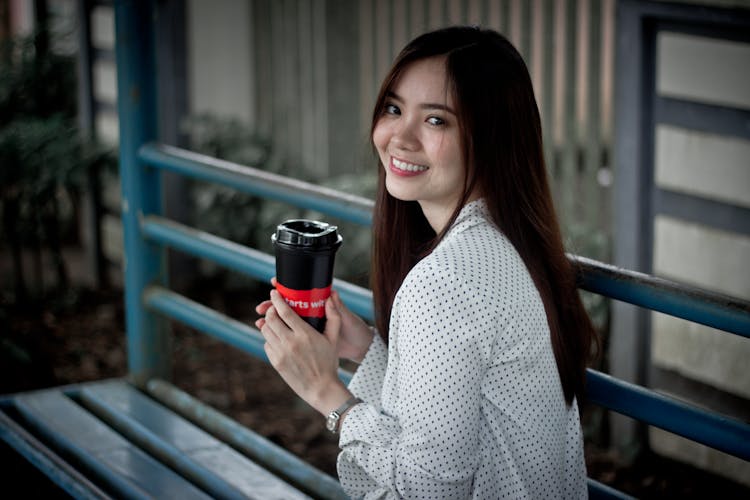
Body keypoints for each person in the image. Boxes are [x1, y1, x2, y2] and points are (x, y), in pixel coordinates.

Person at [255, 26, 598, 499]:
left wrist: (327, 395)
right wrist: (367, 350)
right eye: (394, 109)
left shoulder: (445, 281)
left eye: (436, 120)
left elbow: (428, 491)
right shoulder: (508, 243)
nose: (400, 136)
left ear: (490, 139)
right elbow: (456, 423)